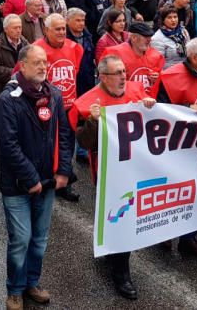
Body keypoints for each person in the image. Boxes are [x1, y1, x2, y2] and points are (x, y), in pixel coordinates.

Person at [0, 44, 73, 310]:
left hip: (47, 182)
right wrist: (31, 179)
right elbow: (9, 146)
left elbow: (64, 135)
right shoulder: (8, 100)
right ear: (22, 66)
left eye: (45, 62)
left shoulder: (54, 95)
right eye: (37, 62)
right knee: (21, 239)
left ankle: (31, 283)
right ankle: (15, 289)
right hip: (18, 186)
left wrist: (63, 170)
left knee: (40, 240)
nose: (43, 67)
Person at [69, 55, 154, 300]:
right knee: (119, 218)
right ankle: (121, 274)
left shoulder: (136, 90)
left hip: (137, 168)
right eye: (117, 73)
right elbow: (83, 142)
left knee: (122, 218)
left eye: (124, 71)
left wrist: (151, 106)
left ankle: (112, 254)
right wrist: (94, 122)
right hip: (110, 174)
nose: (123, 77)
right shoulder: (88, 103)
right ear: (103, 77)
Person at [151, 37, 197, 259]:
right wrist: (187, 109)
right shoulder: (169, 77)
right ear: (193, 58)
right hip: (177, 145)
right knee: (174, 191)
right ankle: (163, 231)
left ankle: (189, 238)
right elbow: (158, 111)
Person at [33, 13, 84, 203]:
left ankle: (65, 184)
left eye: (63, 28)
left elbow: (76, 74)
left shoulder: (74, 48)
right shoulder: (36, 49)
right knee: (45, 147)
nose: (62, 32)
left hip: (69, 108)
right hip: (45, 108)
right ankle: (42, 181)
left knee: (67, 147)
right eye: (57, 29)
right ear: (46, 30)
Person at [106, 21, 165, 95]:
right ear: (133, 37)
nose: (149, 40)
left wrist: (158, 79)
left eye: (150, 37)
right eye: (146, 37)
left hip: (149, 103)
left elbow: (161, 84)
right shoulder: (115, 55)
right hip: (125, 103)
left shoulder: (156, 56)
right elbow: (109, 84)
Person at [0, 15, 28, 104]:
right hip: (4, 90)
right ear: (6, 29)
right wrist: (15, 72)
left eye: (20, 27)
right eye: (15, 28)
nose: (18, 30)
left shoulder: (24, 42)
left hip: (22, 89)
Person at [66, 8, 96, 96]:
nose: (82, 23)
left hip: (88, 79)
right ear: (67, 21)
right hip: (72, 82)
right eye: (78, 20)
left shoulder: (88, 36)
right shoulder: (64, 38)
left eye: (83, 20)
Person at [152, 5, 190, 69]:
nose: (173, 20)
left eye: (175, 17)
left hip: (186, 69)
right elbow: (158, 63)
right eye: (169, 18)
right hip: (169, 72)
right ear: (163, 20)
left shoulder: (183, 31)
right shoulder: (157, 38)